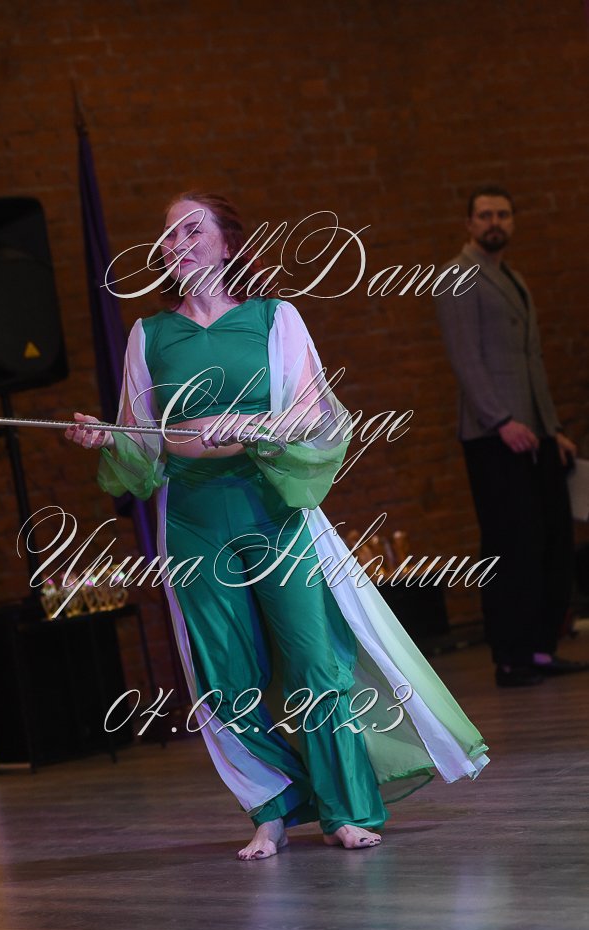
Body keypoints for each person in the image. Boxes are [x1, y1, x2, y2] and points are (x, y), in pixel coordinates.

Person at [67, 192, 489, 860]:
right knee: (223, 676)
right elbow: (142, 442)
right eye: (167, 235)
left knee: (314, 662)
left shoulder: (274, 318)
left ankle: (345, 810)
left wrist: (251, 425)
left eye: (191, 229)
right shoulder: (149, 335)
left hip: (275, 510)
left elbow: (314, 417)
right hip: (194, 521)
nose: (175, 243)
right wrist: (106, 436)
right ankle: (272, 807)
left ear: (227, 243)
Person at [435, 184, 587, 688]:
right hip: (492, 434)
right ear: (469, 224)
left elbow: (531, 362)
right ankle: (510, 657)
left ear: (513, 221)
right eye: (485, 215)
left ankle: (540, 649)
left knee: (552, 540)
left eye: (503, 214)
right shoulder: (457, 276)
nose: (495, 222)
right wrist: (501, 420)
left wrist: (552, 428)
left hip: (535, 432)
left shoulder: (513, 279)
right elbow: (466, 359)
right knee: (511, 544)